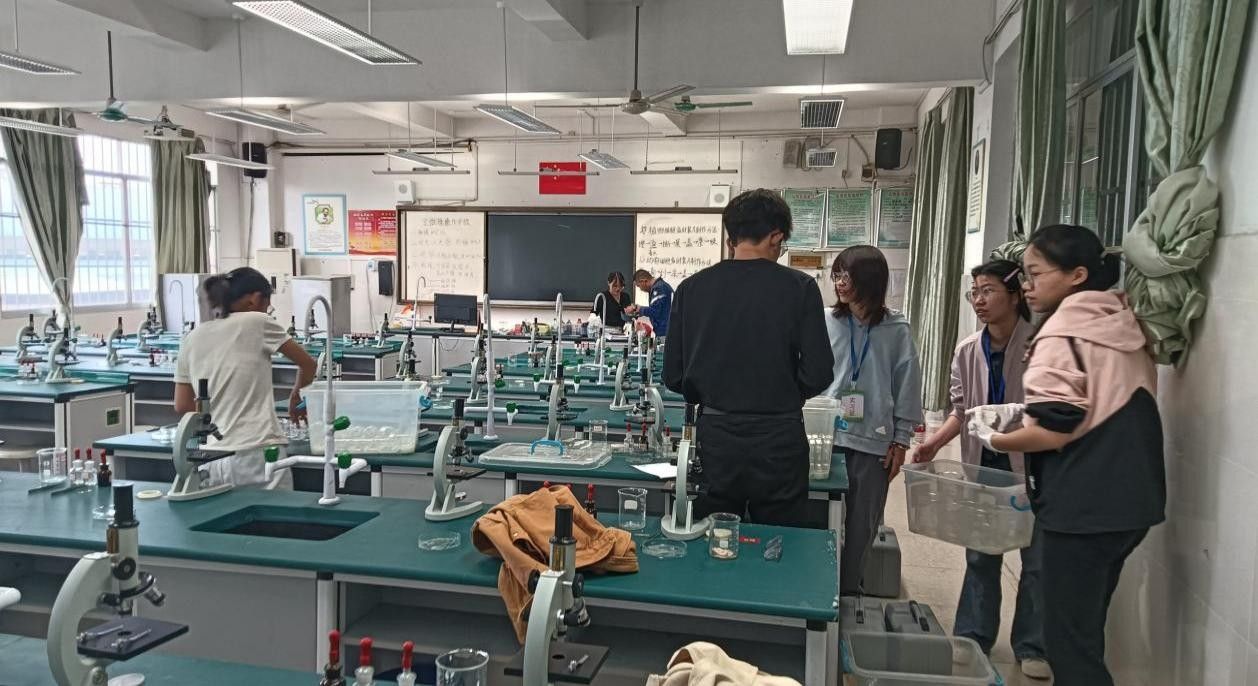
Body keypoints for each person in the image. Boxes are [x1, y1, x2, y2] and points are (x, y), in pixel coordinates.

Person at [968, 225, 1165, 686]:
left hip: (1084, 503)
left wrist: (994, 438)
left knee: (1068, 645)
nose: (1027, 286)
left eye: (1036, 274)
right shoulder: (1118, 320)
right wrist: (1025, 411)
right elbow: (1097, 401)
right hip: (1134, 499)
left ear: (1077, 275)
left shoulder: (1062, 332)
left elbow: (1052, 433)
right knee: (1085, 629)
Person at [663, 189, 834, 526]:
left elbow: (673, 375)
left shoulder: (691, 289)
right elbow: (819, 372)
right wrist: (787, 393)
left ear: (732, 237)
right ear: (776, 237)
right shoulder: (799, 288)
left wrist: (712, 394)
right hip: (779, 437)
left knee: (713, 536)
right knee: (781, 539)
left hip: (716, 437)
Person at [914, 260, 1049, 681]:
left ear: (1015, 294)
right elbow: (961, 411)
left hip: (1032, 465)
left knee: (1037, 559)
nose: (979, 300)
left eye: (988, 290)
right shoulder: (968, 349)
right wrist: (934, 443)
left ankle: (1032, 645)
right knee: (981, 553)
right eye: (974, 291)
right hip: (985, 462)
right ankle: (973, 634)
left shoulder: (1040, 345)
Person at [824, 245, 922, 596]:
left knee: (862, 525)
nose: (840, 282)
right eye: (837, 275)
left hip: (874, 440)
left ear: (870, 280)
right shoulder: (827, 320)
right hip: (826, 437)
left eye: (847, 276)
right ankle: (821, 588)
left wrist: (901, 439)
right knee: (822, 518)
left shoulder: (896, 328)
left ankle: (849, 592)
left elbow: (907, 383)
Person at [174, 267, 318, 488]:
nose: (267, 311)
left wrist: (221, 414)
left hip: (210, 457)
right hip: (257, 453)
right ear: (255, 299)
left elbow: (182, 405)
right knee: (274, 512)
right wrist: (296, 398)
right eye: (267, 305)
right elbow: (308, 364)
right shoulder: (258, 321)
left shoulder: (191, 338)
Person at [625, 269, 674, 339]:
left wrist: (637, 308)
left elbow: (655, 311)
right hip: (665, 331)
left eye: (639, 286)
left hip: (665, 332)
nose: (640, 289)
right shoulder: (660, 286)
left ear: (643, 281)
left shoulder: (659, 289)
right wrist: (638, 310)